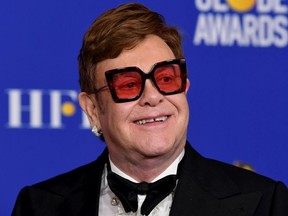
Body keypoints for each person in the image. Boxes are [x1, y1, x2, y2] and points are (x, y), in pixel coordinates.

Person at [12, 3, 288, 216]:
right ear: (93, 109)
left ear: (184, 88)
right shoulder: (38, 206)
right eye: (128, 84)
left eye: (166, 78)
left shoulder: (264, 203)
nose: (153, 97)